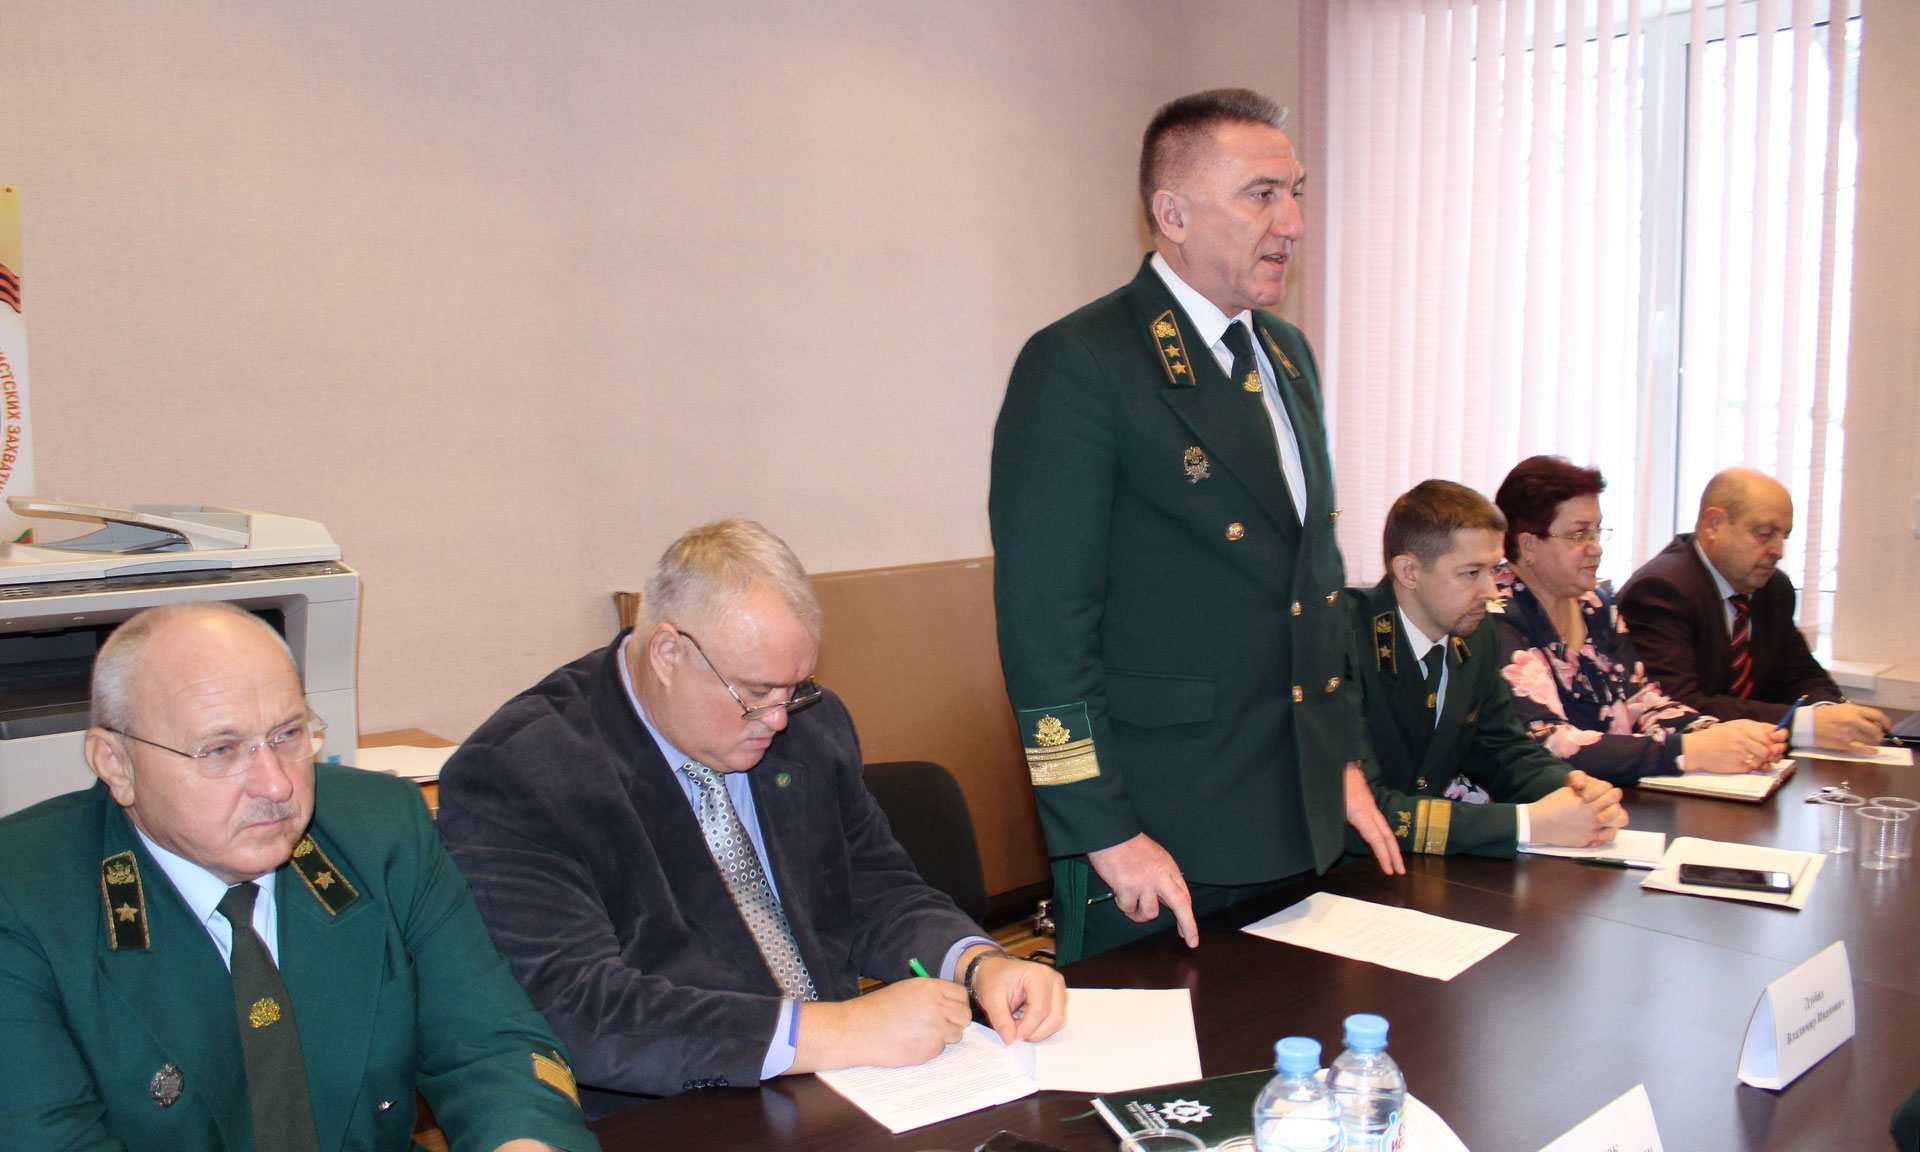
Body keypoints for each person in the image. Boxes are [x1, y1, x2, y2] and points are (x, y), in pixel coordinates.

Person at [436, 520, 1066, 1117]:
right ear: (667, 653)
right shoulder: (522, 773)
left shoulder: (807, 724)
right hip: (678, 1113)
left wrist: (979, 964)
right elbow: (581, 1009)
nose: (780, 719)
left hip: (850, 1089)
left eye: (795, 689)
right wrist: (840, 1029)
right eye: (757, 693)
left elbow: (875, 889)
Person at [990, 87, 1401, 964]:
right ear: (1171, 215)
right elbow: (1044, 632)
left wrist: (1343, 761)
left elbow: (1315, 586)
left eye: (1296, 193)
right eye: (1262, 195)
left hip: (1299, 814)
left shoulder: (1287, 355)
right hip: (1160, 835)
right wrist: (1101, 829)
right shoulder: (1082, 362)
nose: (1292, 222)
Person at [0, 601, 594, 1152]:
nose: (277, 783)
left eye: (287, 735)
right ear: (116, 764)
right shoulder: (24, 895)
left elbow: (493, 1045)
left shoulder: (380, 831)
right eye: (220, 750)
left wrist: (524, 1141)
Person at [1349, 480, 1628, 856]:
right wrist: (1528, 824)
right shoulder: (1342, 641)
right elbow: (1361, 809)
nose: (1492, 591)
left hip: (1420, 868)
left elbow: (1501, 748)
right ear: (1409, 571)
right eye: (1471, 573)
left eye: (1493, 570)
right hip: (1340, 874)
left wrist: (1574, 791)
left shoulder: (1475, 635)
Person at [1490, 455, 1786, 784]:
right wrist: (1687, 750)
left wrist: (1724, 736)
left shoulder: (1595, 605)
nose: (1596, 548)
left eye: (1597, 531)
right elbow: (1550, 745)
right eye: (1579, 534)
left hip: (1609, 795)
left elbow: (1642, 701)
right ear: (1528, 545)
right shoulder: (1495, 616)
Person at [1618, 467, 1889, 752]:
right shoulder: (1660, 590)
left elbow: (1801, 675)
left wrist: (1828, 713)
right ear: (1713, 524)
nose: (1778, 550)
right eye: (1764, 533)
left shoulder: (1773, 588)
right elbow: (1677, 707)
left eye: (1784, 536)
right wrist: (1803, 724)